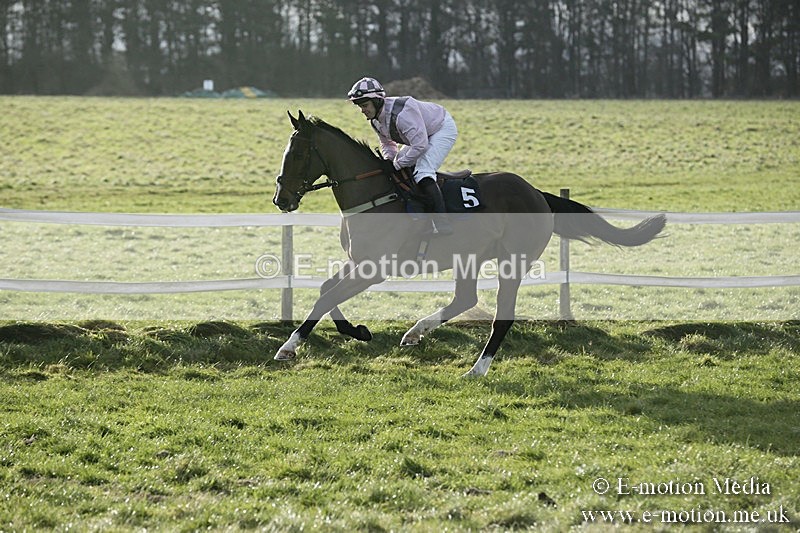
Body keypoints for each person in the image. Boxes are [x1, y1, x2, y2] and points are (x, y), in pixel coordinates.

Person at [347, 76, 455, 235]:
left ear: (377, 101)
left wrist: (396, 165)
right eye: (360, 107)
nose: (362, 110)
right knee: (399, 166)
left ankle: (442, 223)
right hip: (421, 134)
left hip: (441, 128)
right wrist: (389, 160)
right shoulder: (376, 120)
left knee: (423, 172)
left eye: (365, 105)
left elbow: (420, 145)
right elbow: (388, 144)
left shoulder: (402, 115)